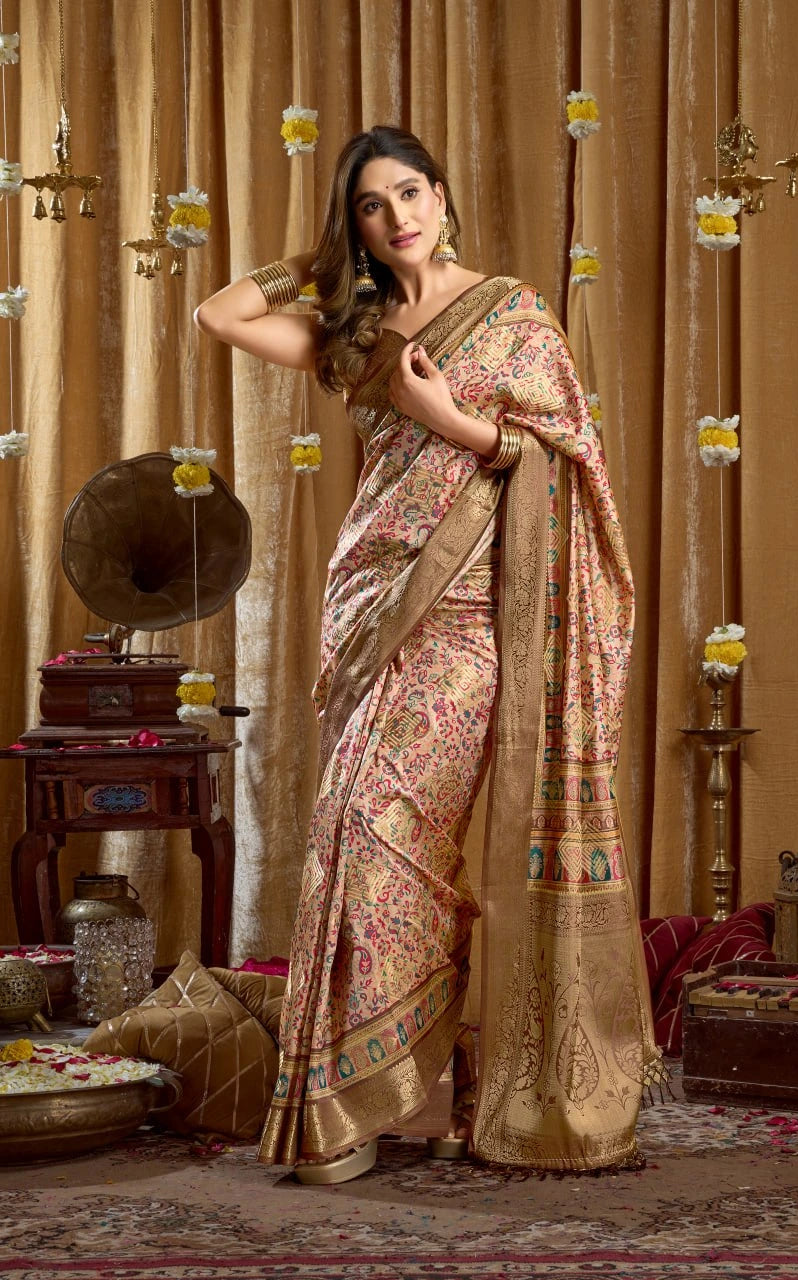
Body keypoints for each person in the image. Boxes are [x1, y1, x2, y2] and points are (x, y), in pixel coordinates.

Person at [195, 125, 663, 1185]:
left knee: (406, 843)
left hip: (465, 615)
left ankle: (399, 1093)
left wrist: (447, 417)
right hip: (370, 599)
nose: (400, 215)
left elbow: (567, 462)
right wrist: (318, 268)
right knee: (348, 830)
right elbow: (218, 313)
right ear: (353, 225)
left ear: (443, 196)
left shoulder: (515, 314)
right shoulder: (349, 328)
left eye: (411, 192)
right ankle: (382, 1099)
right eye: (372, 205)